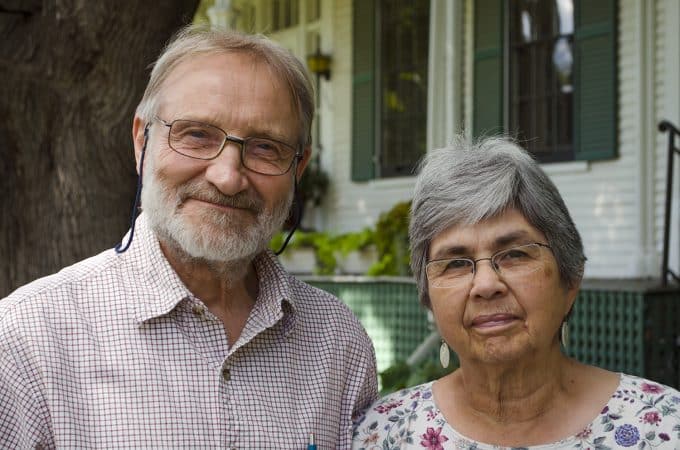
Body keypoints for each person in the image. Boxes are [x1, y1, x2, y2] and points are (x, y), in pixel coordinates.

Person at [0, 26, 377, 449]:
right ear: (142, 140)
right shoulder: (28, 340)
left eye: (265, 148)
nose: (229, 177)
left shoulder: (339, 342)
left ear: (298, 167)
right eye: (197, 135)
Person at [352, 136, 680, 449]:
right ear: (427, 295)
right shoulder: (384, 433)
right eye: (455, 263)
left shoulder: (662, 426)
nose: (485, 285)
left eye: (515, 254)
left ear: (570, 279)